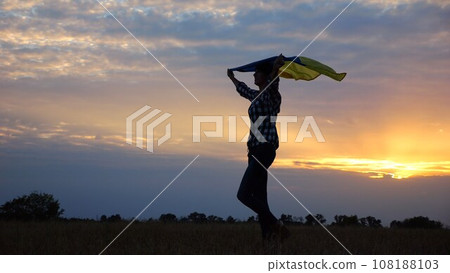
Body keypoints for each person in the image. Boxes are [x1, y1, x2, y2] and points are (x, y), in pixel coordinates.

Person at [227, 54, 290, 241]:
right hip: (253, 150)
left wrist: (276, 67)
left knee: (243, 194)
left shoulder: (272, 96)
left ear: (264, 76)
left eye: (256, 74)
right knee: (260, 197)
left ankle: (277, 226)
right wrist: (231, 78)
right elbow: (243, 89)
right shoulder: (255, 97)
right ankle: (268, 242)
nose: (253, 76)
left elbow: (273, 82)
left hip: (265, 149)